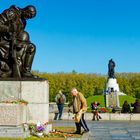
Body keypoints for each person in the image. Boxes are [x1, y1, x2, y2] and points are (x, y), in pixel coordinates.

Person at [0, 5, 36, 78]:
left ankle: (26, 71)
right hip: (3, 41)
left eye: (31, 17)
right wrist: (8, 29)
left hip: (14, 41)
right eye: (29, 15)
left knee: (31, 47)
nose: (29, 18)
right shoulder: (11, 13)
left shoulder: (23, 21)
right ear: (25, 11)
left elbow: (19, 34)